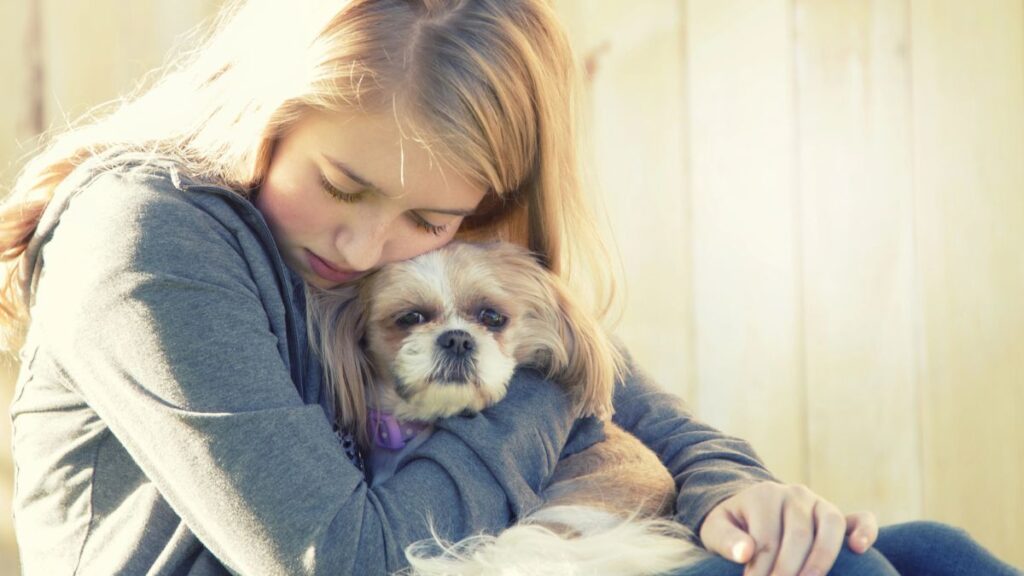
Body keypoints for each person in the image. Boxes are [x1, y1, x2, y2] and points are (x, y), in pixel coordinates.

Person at [0, 1, 1018, 575]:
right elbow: (349, 564)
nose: (364, 247)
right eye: (339, 186)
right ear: (260, 114)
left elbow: (620, 391)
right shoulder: (146, 236)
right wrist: (522, 351)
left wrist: (734, 494)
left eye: (430, 222)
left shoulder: (416, 235)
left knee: (930, 557)